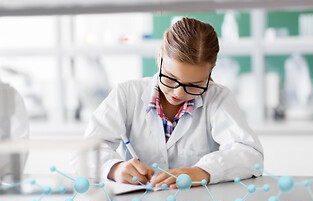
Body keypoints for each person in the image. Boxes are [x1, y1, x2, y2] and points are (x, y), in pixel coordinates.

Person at [82, 17, 263, 189]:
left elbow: (250, 155)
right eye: (170, 78)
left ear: (210, 72)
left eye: (194, 85)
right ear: (160, 57)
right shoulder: (127, 94)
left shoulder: (218, 98)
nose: (179, 93)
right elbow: (86, 151)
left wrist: (203, 171)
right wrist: (114, 168)